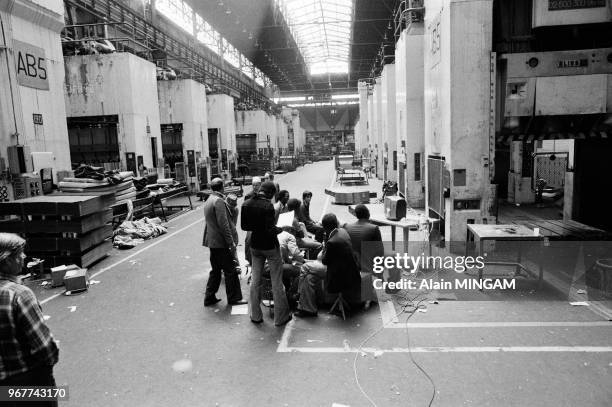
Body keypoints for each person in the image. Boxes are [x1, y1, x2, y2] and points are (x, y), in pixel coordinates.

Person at [0, 233, 59, 406]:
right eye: (19, 254)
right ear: (7, 260)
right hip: (26, 382)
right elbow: (44, 348)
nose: (24, 257)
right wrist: (52, 356)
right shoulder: (19, 294)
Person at [241, 181, 291, 326]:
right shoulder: (268, 206)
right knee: (276, 282)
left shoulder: (246, 203)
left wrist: (258, 226)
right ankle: (280, 318)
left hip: (254, 245)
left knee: (255, 280)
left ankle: (255, 315)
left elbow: (244, 226)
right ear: (270, 193)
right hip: (269, 246)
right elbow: (270, 229)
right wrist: (280, 229)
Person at [294, 214, 360, 318]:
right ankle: (309, 309)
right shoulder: (342, 232)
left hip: (337, 273)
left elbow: (324, 261)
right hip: (348, 269)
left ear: (325, 227)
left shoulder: (332, 242)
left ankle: (298, 293)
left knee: (305, 267)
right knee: (308, 278)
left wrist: (325, 245)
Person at [202, 178, 246, 306]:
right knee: (230, 270)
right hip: (220, 243)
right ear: (222, 188)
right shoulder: (219, 201)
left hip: (212, 242)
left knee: (216, 270)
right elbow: (224, 225)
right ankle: (234, 298)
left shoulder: (209, 199)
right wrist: (231, 242)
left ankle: (209, 297)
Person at [342, 204, 384, 308]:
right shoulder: (374, 228)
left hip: (351, 263)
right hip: (366, 264)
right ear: (368, 213)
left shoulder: (347, 226)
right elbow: (379, 250)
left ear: (356, 215)